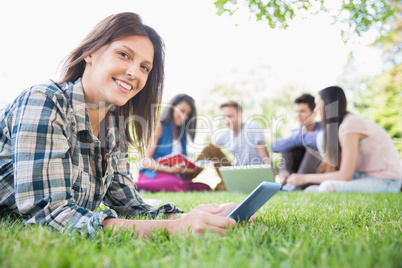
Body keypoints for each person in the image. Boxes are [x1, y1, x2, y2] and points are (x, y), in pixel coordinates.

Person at [0, 12, 241, 237]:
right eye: (124, 54)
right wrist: (176, 227)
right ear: (90, 52)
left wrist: (198, 216)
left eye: (145, 67)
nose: (134, 72)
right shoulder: (44, 101)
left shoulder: (113, 129)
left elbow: (130, 205)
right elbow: (51, 216)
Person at [287, 86, 402, 193]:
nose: (316, 110)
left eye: (317, 104)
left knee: (326, 186)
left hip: (387, 181)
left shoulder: (350, 125)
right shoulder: (339, 127)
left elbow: (345, 175)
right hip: (362, 175)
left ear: (328, 104)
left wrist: (304, 178)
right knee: (322, 137)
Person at [135, 94, 211, 192]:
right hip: (154, 174)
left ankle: (152, 187)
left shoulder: (181, 133)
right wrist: (170, 170)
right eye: (182, 111)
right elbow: (145, 161)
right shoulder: (159, 126)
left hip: (175, 177)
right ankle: (137, 185)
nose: (184, 116)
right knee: (176, 184)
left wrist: (187, 169)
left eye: (188, 114)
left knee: (205, 187)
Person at [270, 93, 322, 190]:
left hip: (314, 174)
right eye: (296, 111)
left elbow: (322, 140)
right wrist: (298, 138)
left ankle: (296, 184)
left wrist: (298, 137)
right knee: (287, 146)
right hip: (292, 173)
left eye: (302, 111)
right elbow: (274, 146)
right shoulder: (294, 133)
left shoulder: (322, 129)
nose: (298, 115)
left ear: (314, 112)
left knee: (313, 145)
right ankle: (284, 181)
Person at [214, 101, 272, 166]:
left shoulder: (252, 127)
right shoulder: (225, 135)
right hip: (239, 172)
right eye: (224, 117)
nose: (227, 121)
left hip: (257, 172)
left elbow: (265, 158)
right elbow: (211, 149)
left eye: (230, 116)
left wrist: (271, 173)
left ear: (240, 114)